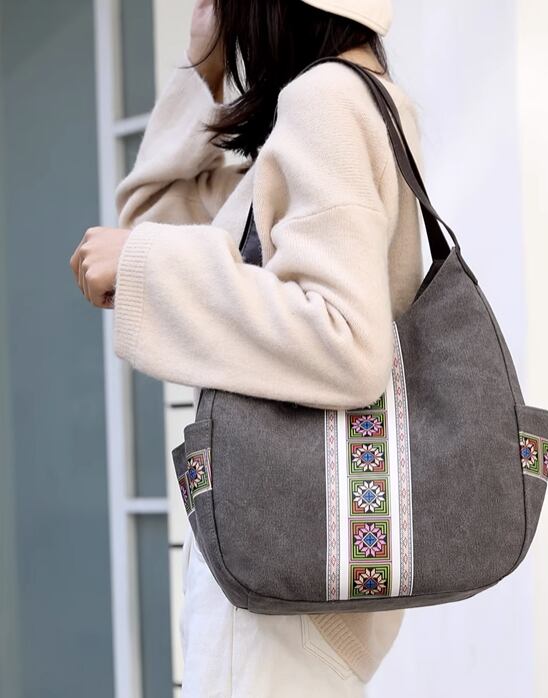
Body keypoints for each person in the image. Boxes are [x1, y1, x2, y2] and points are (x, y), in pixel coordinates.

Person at [70, 0, 426, 695]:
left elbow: (346, 340)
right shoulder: (360, 97)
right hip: (296, 559)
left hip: (280, 560)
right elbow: (155, 218)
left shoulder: (323, 100)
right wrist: (199, 74)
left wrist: (145, 263)